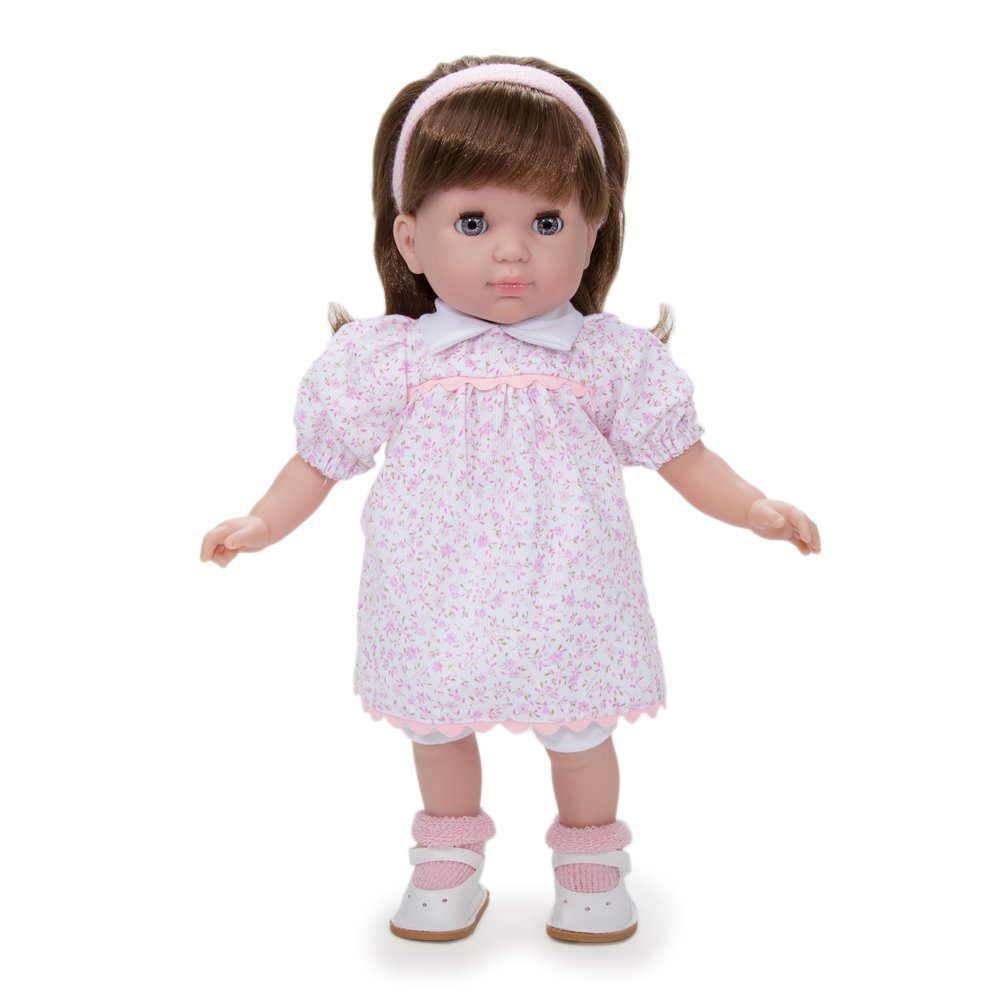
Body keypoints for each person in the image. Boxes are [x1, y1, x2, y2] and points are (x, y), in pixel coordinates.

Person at [200, 56, 821, 944]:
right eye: (474, 221)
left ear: (592, 232)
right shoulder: (391, 360)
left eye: (546, 221)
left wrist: (754, 507)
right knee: (437, 727)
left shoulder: (605, 358)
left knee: (580, 732)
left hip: (566, 588)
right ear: (411, 239)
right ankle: (448, 860)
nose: (510, 250)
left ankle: (591, 866)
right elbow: (320, 461)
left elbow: (683, 457)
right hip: (433, 587)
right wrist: (263, 522)